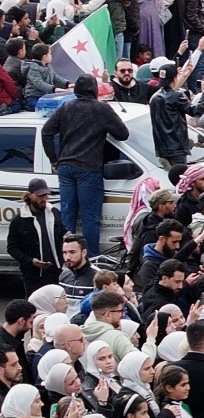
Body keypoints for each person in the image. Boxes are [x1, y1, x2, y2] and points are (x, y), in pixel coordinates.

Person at [41, 77, 128, 259]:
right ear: (94, 89)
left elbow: (46, 132)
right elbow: (123, 134)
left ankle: (67, 259)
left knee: (67, 217)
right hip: (89, 169)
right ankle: (91, 259)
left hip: (65, 167)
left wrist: (53, 159)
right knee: (90, 218)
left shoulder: (66, 107)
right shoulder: (102, 109)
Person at [6, 180, 62, 293]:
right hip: (32, 275)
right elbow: (12, 248)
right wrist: (31, 261)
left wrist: (67, 236)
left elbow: (62, 232)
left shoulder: (54, 212)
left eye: (46, 194)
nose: (45, 198)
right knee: (34, 303)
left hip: (55, 272)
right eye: (40, 195)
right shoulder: (19, 220)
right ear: (30, 195)